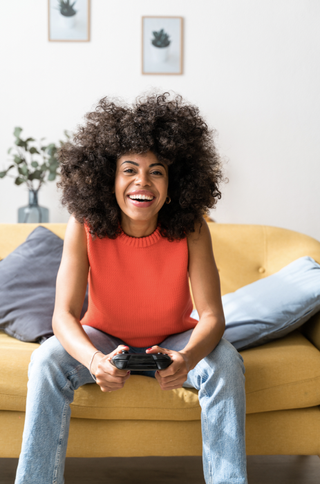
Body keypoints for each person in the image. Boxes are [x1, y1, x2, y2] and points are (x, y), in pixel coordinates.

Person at [15, 93, 247, 484]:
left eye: (157, 171)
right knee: (45, 360)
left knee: (226, 362)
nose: (142, 181)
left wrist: (187, 359)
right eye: (129, 170)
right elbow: (64, 315)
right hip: (104, 338)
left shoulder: (191, 228)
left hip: (174, 338)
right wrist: (93, 361)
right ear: (109, 178)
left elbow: (211, 316)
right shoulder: (84, 223)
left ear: (173, 184)